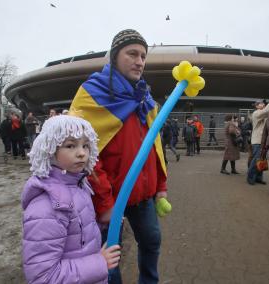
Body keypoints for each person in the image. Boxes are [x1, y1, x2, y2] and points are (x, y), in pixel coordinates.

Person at [69, 29, 168, 283]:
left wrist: (161, 186)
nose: (139, 61)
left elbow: (154, 145)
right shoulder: (91, 94)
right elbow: (84, 156)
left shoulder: (144, 97)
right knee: (110, 259)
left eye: (143, 56)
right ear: (114, 56)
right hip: (109, 197)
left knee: (152, 242)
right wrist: (104, 204)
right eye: (132, 54)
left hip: (144, 196)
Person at [21, 115, 121, 283]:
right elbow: (43, 277)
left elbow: (76, 233)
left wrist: (98, 225)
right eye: (70, 145)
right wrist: (100, 262)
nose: (82, 153)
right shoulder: (47, 207)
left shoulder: (79, 186)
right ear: (50, 150)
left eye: (86, 145)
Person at [247, 92, 269, 185]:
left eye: (263, 103)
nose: (263, 104)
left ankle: (258, 177)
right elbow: (266, 111)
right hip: (258, 141)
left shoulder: (262, 114)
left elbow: (268, 113)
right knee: (257, 159)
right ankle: (250, 177)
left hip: (263, 141)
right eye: (261, 103)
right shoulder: (256, 113)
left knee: (262, 160)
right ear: (257, 106)